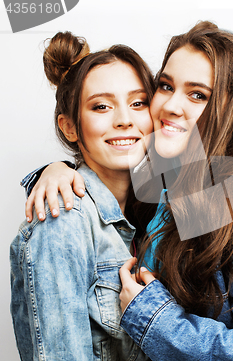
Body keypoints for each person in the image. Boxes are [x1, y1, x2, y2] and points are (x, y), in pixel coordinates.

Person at [22, 21, 233, 360]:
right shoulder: (168, 198)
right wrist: (55, 171)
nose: (170, 106)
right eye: (165, 86)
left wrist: (155, 316)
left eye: (198, 95)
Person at [10, 31, 156, 360]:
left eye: (137, 103)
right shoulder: (62, 220)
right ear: (70, 127)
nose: (124, 120)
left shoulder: (155, 210)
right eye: (101, 106)